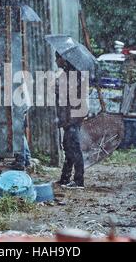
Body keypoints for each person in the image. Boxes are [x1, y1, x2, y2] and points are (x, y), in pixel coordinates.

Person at [55, 53, 87, 189]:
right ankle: (65, 177)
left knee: (74, 148)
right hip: (68, 117)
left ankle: (79, 180)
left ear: (63, 59)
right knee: (68, 147)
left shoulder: (74, 75)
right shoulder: (67, 73)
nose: (55, 61)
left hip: (73, 118)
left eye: (57, 58)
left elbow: (70, 94)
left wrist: (57, 88)